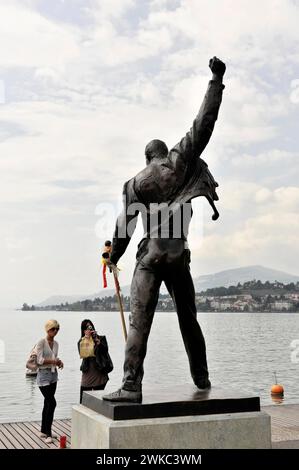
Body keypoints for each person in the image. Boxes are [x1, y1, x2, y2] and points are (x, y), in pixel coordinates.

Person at [103, 57, 226, 403]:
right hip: (178, 256)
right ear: (162, 153)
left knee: (140, 319)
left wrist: (113, 255)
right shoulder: (180, 163)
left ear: (146, 158)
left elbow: (125, 226)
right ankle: (201, 379)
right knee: (189, 319)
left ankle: (130, 385)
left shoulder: (135, 183)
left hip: (151, 256)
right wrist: (216, 80)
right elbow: (204, 123)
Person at [36, 319, 63, 443]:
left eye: (57, 329)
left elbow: (54, 358)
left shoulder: (56, 343)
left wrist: (59, 362)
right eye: (53, 329)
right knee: (52, 403)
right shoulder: (41, 342)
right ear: (47, 329)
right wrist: (53, 361)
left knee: (48, 403)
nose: (55, 331)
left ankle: (43, 431)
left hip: (53, 375)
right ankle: (48, 434)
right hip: (43, 376)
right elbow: (39, 360)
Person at [78, 319, 110, 403]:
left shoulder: (101, 338)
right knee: (83, 399)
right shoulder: (81, 342)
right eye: (86, 328)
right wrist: (87, 339)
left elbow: (105, 351)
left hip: (100, 371)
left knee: (98, 399)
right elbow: (84, 354)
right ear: (83, 330)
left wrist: (99, 343)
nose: (89, 330)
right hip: (88, 371)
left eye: (90, 327)